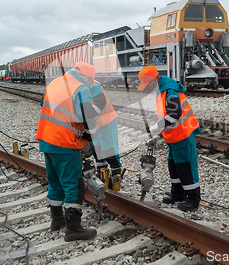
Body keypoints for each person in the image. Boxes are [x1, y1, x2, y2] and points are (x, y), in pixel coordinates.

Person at [36, 63, 98, 242]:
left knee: (55, 182)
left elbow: (46, 106)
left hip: (47, 141)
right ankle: (73, 229)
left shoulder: (55, 83)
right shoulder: (81, 88)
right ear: (87, 78)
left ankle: (56, 220)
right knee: (74, 186)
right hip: (65, 143)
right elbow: (89, 121)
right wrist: (90, 140)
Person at [137, 65, 201, 212]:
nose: (146, 89)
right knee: (174, 166)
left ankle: (193, 199)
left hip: (182, 134)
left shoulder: (169, 89)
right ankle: (177, 194)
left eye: (147, 85)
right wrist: (158, 117)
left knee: (186, 167)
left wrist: (158, 124)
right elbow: (168, 111)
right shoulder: (161, 88)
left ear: (154, 80)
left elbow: (175, 114)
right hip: (173, 136)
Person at [72, 62, 122, 191]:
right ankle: (102, 174)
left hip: (106, 122)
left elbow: (99, 103)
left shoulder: (94, 86)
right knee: (97, 150)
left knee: (109, 150)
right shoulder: (81, 86)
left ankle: (116, 177)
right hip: (96, 124)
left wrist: (87, 118)